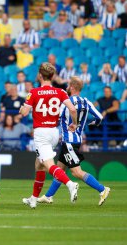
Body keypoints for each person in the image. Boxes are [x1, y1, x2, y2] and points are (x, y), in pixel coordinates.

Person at [38, 77, 110, 206]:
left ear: (71, 87)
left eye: (68, 85)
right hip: (75, 140)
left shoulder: (66, 102)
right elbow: (99, 117)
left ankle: (102, 189)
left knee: (76, 172)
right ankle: (48, 196)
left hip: (69, 141)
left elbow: (55, 117)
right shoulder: (86, 101)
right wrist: (90, 123)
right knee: (60, 169)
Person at [19, 62, 79, 209]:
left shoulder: (33, 92)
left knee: (48, 164)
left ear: (40, 75)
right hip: (53, 132)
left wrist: (22, 109)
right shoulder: (60, 92)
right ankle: (33, 199)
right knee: (39, 165)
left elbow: (25, 112)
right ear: (52, 76)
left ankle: (70, 184)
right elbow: (72, 109)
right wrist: (75, 124)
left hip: (41, 132)